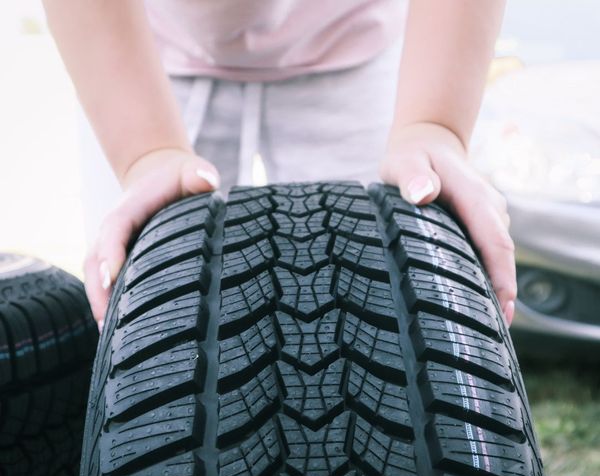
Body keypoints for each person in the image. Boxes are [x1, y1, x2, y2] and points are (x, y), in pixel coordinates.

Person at [43, 0, 516, 331]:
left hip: (358, 48)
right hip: (144, 55)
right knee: (151, 318)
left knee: (395, 315)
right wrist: (145, 155)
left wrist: (435, 126)